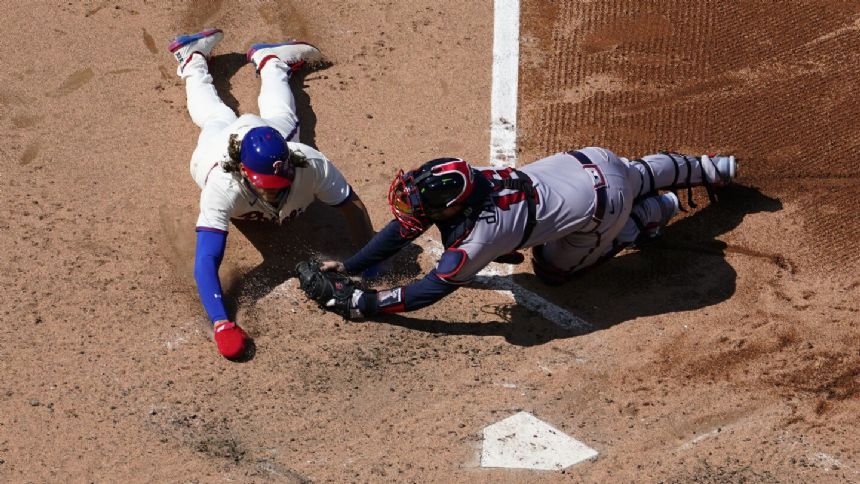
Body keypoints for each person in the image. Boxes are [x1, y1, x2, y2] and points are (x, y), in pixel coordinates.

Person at [298, 148, 736, 319]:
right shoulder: (471, 178)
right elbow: (404, 229)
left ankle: (650, 215)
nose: (414, 206)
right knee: (633, 171)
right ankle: (712, 167)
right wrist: (354, 266)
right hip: (592, 161)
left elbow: (431, 288)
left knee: (550, 270)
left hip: (605, 206)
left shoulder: (478, 240)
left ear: (452, 205)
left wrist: (365, 302)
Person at [168, 29, 374, 359]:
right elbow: (207, 260)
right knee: (215, 118)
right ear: (245, 174)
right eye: (268, 184)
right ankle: (195, 61)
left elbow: (352, 206)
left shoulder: (305, 162)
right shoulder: (222, 184)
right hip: (216, 149)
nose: (277, 188)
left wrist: (369, 254)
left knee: (284, 121)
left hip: (270, 141)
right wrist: (222, 322)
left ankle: (270, 60)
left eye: (282, 182)